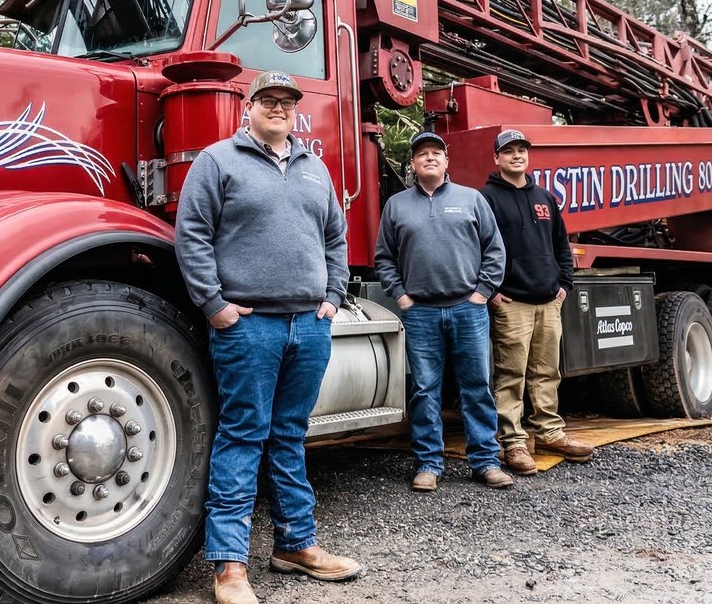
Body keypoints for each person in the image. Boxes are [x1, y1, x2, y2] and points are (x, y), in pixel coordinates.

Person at [176, 70, 364, 604]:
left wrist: (333, 297)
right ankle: (230, 566)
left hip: (309, 324)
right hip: (249, 326)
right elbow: (192, 235)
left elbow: (335, 237)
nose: (279, 108)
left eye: (287, 101)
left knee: (289, 435)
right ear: (249, 106)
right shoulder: (217, 161)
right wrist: (214, 306)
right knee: (243, 435)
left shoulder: (314, 169)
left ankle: (295, 545)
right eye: (268, 100)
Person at [374, 130, 512, 492]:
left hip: (468, 309)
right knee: (424, 390)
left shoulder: (471, 199)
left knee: (476, 386)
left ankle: (485, 461)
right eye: (422, 154)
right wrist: (402, 296)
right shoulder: (397, 205)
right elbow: (384, 258)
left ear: (446, 161)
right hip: (421, 312)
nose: (430, 158)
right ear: (413, 164)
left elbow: (494, 250)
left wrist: (481, 294)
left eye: (436, 152)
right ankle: (428, 464)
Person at [481, 129, 595, 476]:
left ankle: (549, 434)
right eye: (509, 151)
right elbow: (476, 247)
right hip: (511, 302)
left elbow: (561, 244)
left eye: (522, 150)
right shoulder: (486, 199)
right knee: (511, 375)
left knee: (547, 372)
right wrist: (492, 293)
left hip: (548, 301)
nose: (517, 156)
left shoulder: (545, 197)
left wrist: (564, 286)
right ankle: (513, 443)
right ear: (497, 158)